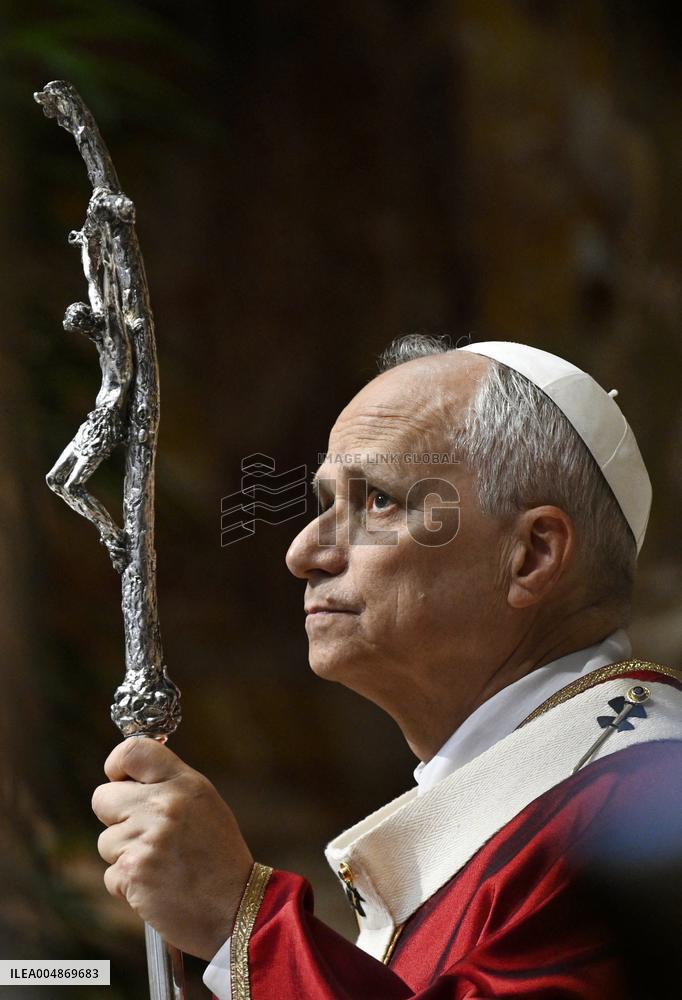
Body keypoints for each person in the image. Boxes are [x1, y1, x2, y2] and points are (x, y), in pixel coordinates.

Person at [91, 337, 682, 999]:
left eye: (375, 502)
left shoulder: (641, 807)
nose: (302, 552)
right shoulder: (560, 799)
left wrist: (242, 924)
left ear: (532, 554)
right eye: (324, 505)